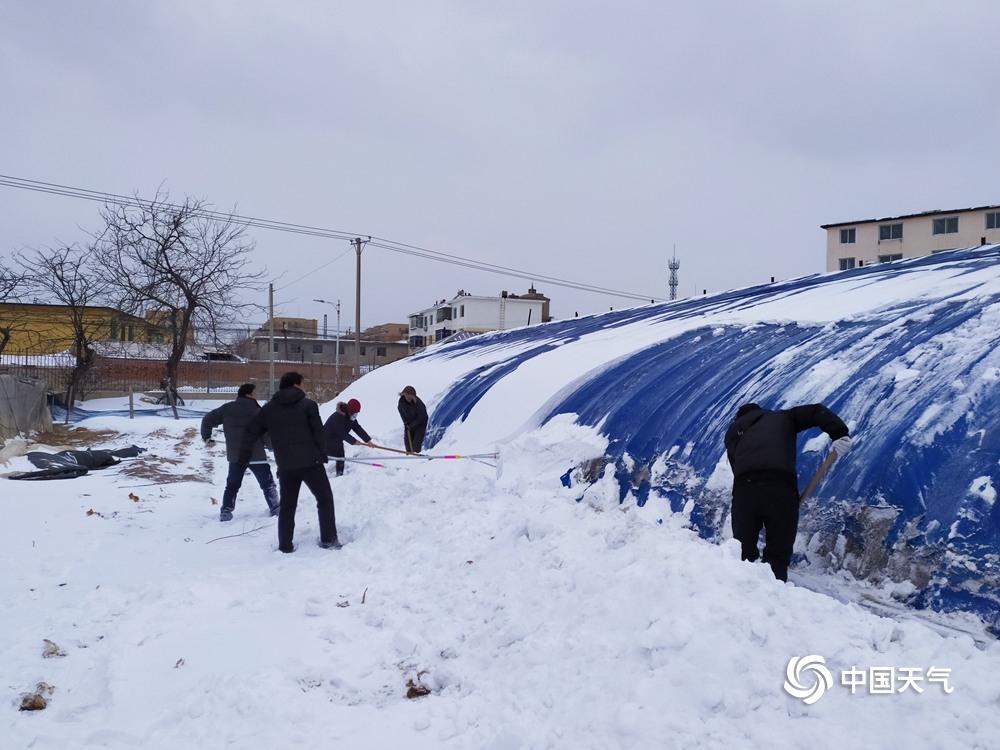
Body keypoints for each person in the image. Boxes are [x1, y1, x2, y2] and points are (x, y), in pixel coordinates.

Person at [724, 402, 851, 582]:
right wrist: (839, 433)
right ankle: (775, 594)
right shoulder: (782, 417)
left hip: (745, 489)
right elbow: (815, 411)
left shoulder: (732, 433)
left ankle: (744, 592)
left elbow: (736, 467)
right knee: (778, 553)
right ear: (761, 410)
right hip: (780, 486)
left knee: (743, 552)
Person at [239, 372, 340, 553]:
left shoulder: (268, 409)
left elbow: (251, 431)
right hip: (311, 464)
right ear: (295, 384)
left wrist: (244, 456)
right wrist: (322, 453)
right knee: (324, 499)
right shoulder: (308, 405)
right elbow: (318, 431)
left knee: (287, 505)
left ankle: (285, 545)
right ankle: (329, 539)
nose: (305, 386)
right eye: (303, 383)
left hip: (286, 465)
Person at [201, 383, 279, 522]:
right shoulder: (258, 411)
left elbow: (207, 419)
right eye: (256, 392)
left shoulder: (227, 408)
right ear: (249, 394)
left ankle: (226, 511)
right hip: (256, 455)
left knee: (232, 485)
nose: (257, 394)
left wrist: (207, 437)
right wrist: (273, 446)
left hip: (236, 456)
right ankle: (275, 508)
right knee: (267, 484)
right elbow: (266, 433)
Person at [323, 399, 374, 476]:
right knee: (326, 457)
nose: (355, 415)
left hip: (337, 441)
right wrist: (354, 441)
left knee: (341, 457)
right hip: (325, 440)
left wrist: (368, 440)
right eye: (355, 413)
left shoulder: (350, 417)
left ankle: (339, 475)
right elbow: (342, 433)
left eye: (357, 413)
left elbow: (357, 428)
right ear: (350, 411)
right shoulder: (337, 417)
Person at [397, 385, 428, 454]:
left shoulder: (419, 404)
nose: (408, 397)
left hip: (420, 424)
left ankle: (417, 457)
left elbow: (422, 417)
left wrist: (412, 425)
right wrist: (406, 423)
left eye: (410, 396)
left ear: (413, 396)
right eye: (407, 395)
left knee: (416, 444)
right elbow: (401, 413)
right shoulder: (401, 402)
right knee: (407, 442)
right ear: (404, 394)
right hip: (409, 423)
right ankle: (409, 456)